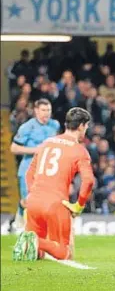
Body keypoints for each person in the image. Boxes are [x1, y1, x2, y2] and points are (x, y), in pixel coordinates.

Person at [12, 107, 94, 261]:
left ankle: (32, 241)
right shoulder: (79, 151)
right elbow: (89, 181)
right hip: (55, 204)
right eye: (87, 125)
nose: (87, 129)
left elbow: (29, 173)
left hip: (33, 202)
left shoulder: (46, 143)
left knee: (38, 255)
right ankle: (37, 241)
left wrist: (32, 194)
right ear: (82, 125)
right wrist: (79, 205)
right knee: (64, 253)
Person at [10, 98, 60, 232]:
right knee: (28, 201)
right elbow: (14, 148)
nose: (46, 113)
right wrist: (35, 150)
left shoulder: (55, 125)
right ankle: (19, 221)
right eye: (43, 110)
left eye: (48, 110)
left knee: (47, 200)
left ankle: (41, 228)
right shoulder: (27, 127)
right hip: (28, 170)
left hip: (47, 170)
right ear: (36, 111)